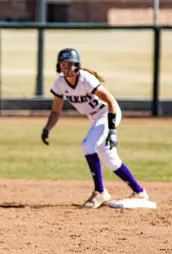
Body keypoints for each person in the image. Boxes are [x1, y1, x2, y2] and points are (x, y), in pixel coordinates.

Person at [41, 48, 149, 209]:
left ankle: (100, 191)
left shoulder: (85, 79)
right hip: (95, 118)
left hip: (108, 113)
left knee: (87, 145)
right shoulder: (60, 83)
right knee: (109, 159)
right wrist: (47, 128)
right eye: (63, 65)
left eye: (70, 65)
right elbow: (56, 111)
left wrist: (113, 130)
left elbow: (110, 101)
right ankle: (139, 191)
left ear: (77, 66)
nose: (67, 68)